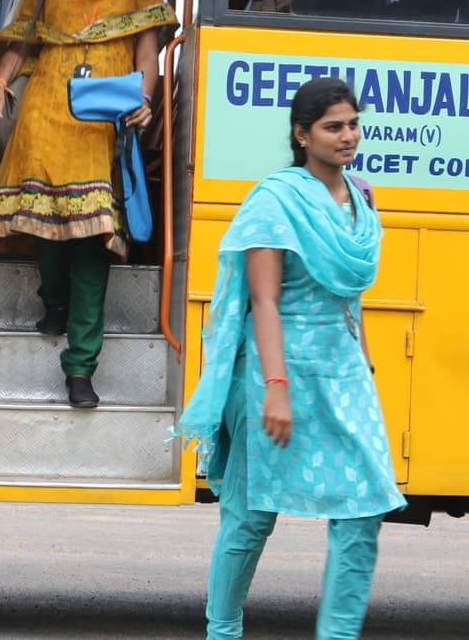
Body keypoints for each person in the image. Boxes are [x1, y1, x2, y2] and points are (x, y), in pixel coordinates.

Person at [176, 77, 406, 640]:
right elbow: (265, 301)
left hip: (343, 369)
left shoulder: (361, 197)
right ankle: (223, 631)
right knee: (251, 517)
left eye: (353, 124)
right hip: (275, 370)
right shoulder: (275, 202)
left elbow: (351, 295)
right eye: (333, 127)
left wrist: (365, 364)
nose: (348, 136)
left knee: (363, 509)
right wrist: (276, 388)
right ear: (302, 135)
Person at [0, 0, 178, 408]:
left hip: (106, 119)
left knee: (93, 238)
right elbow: (21, 43)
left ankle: (81, 366)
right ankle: (55, 299)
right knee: (44, 221)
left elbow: (147, 55)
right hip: (46, 112)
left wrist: (146, 100)